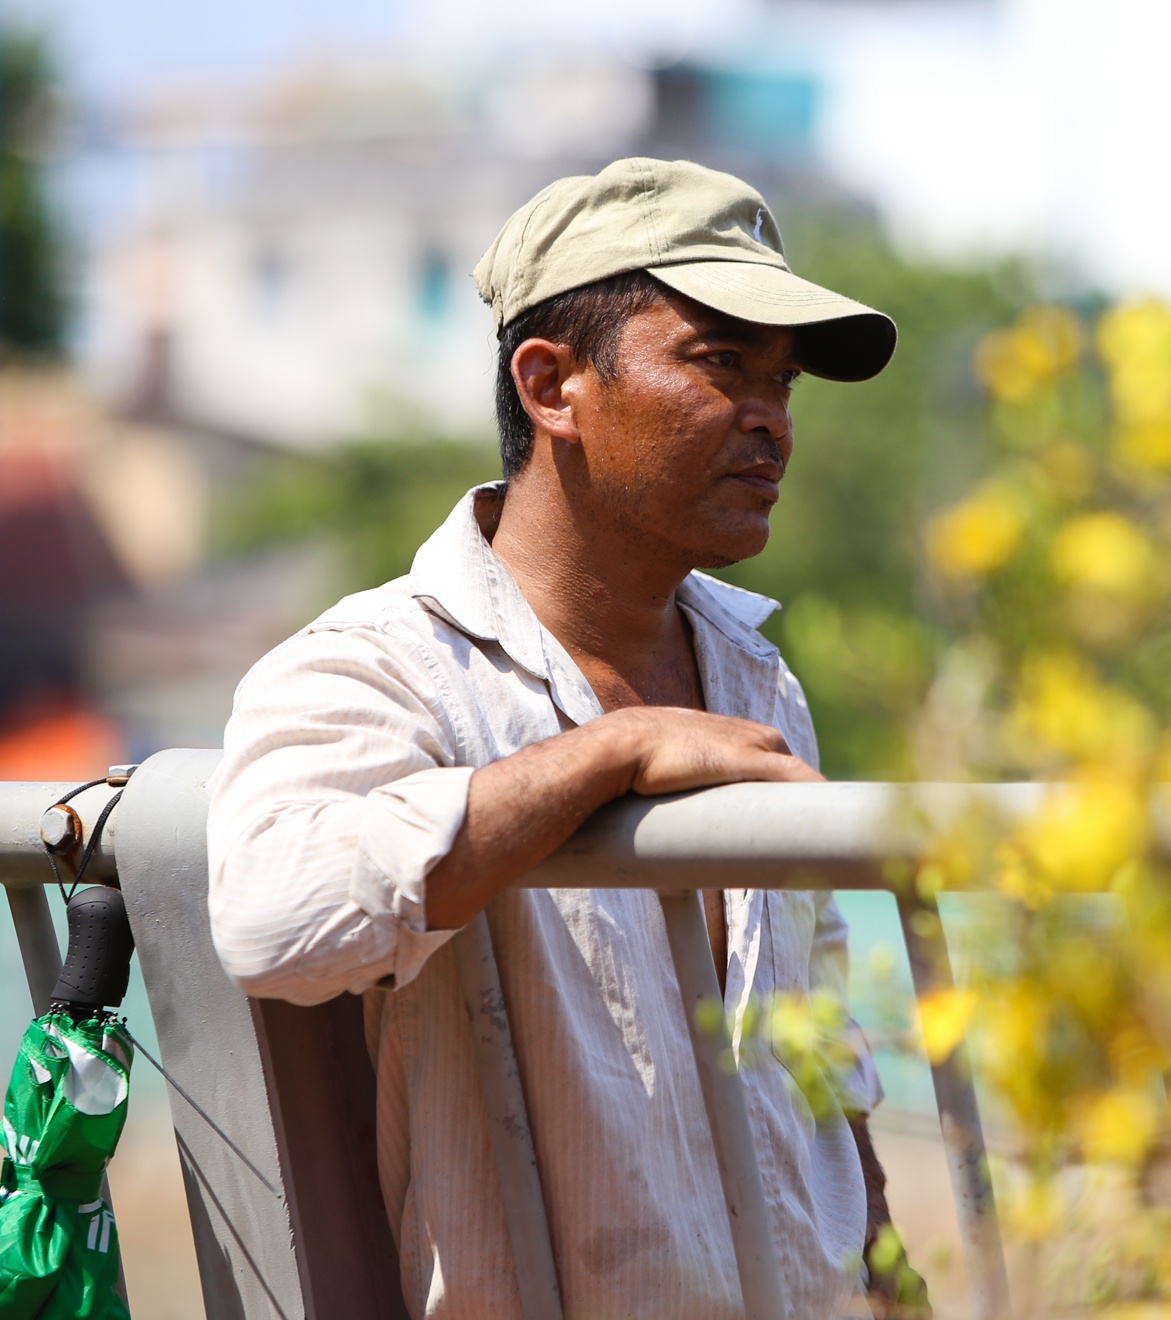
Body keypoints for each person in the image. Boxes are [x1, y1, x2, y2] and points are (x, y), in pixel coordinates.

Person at [205, 158, 922, 1319]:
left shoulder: (754, 673)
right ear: (551, 385)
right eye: (718, 362)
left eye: (783, 382)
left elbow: (817, 1030)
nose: (771, 422)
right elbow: (273, 919)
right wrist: (607, 758)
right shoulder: (382, 664)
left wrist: (891, 1273)